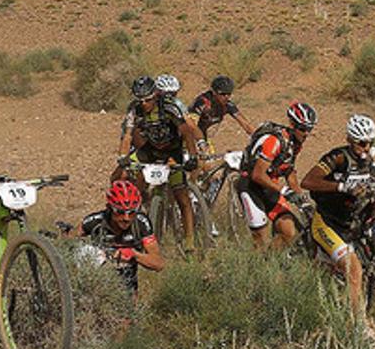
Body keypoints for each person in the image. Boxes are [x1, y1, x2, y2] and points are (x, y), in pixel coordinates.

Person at [301, 114, 375, 322]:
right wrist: (342, 187)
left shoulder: (370, 161)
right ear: (351, 141)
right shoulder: (338, 158)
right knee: (353, 270)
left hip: (350, 225)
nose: (366, 148)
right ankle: (358, 328)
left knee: (333, 271)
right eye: (362, 143)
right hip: (326, 223)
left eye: (370, 143)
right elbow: (307, 182)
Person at [115, 76, 202, 251]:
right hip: (150, 150)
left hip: (172, 151)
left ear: (155, 95)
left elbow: (186, 131)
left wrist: (192, 156)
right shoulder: (134, 109)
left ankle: (190, 242)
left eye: (148, 100)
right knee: (119, 175)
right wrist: (122, 157)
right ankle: (127, 215)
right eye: (140, 100)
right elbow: (128, 135)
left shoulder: (169, 106)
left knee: (182, 197)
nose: (144, 104)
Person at [236, 102, 316, 250]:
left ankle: (268, 263)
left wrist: (301, 198)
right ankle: (255, 267)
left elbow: (289, 171)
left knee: (289, 231)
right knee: (261, 237)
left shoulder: (296, 143)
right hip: (250, 187)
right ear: (292, 125)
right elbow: (258, 175)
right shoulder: (274, 142)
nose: (306, 133)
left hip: (270, 187)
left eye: (309, 129)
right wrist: (285, 191)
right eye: (303, 129)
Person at [73, 180, 165, 294]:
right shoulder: (95, 221)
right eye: (120, 212)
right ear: (110, 208)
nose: (126, 218)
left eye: (132, 212)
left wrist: (134, 255)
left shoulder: (141, 223)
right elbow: (67, 242)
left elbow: (159, 263)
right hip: (97, 284)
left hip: (127, 287)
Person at [189, 75, 255, 151]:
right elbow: (191, 125)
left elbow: (246, 125)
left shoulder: (227, 105)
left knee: (210, 158)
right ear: (214, 92)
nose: (226, 97)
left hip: (202, 136)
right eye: (223, 94)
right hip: (188, 134)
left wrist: (260, 137)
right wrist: (200, 141)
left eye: (229, 94)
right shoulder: (202, 102)